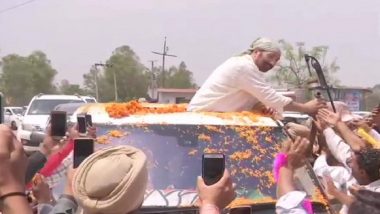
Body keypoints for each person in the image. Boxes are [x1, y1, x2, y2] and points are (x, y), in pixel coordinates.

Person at [188, 37, 326, 115]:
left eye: (276, 61)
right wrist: (306, 108)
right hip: (202, 118)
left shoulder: (249, 69)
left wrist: (262, 106)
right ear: (257, 52)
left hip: (214, 118)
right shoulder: (243, 67)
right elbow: (272, 98)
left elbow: (260, 98)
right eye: (270, 57)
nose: (272, 63)